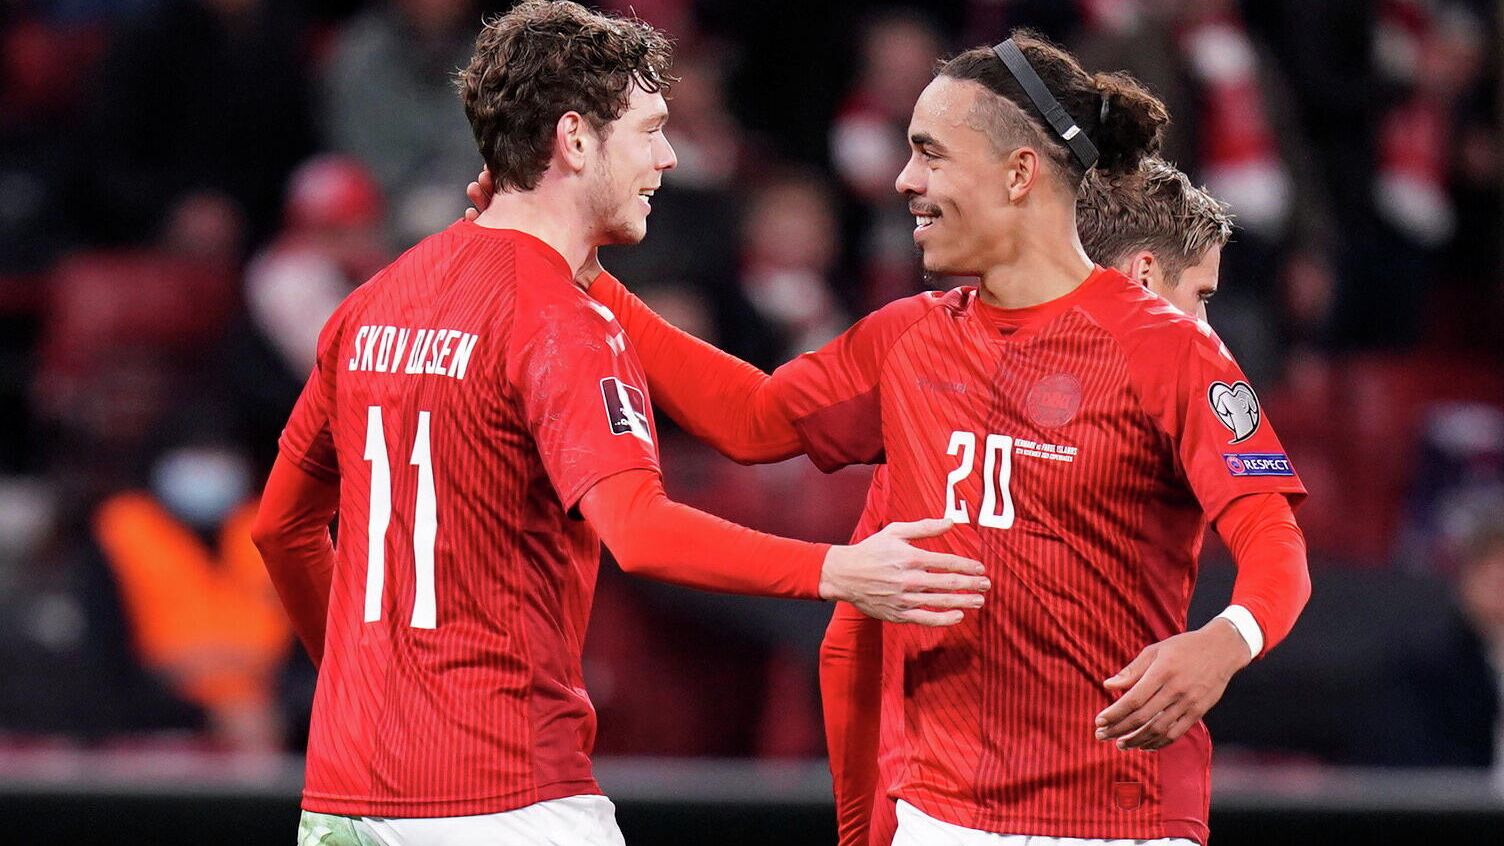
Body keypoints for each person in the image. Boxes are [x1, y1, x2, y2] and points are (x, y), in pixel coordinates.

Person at [510, 31, 1311, 846]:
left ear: (1019, 173)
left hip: (1117, 817)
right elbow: (751, 421)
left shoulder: (1167, 348)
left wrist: (1225, 641)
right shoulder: (908, 340)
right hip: (940, 817)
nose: (904, 180)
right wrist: (591, 277)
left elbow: (1272, 538)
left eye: (929, 153)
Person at [250, 4, 988, 846]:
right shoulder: (559, 322)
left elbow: (283, 529)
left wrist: (359, 691)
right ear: (573, 138)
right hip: (505, 794)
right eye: (650, 129)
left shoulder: (371, 304)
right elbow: (638, 531)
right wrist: (839, 570)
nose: (667, 157)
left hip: (345, 793)